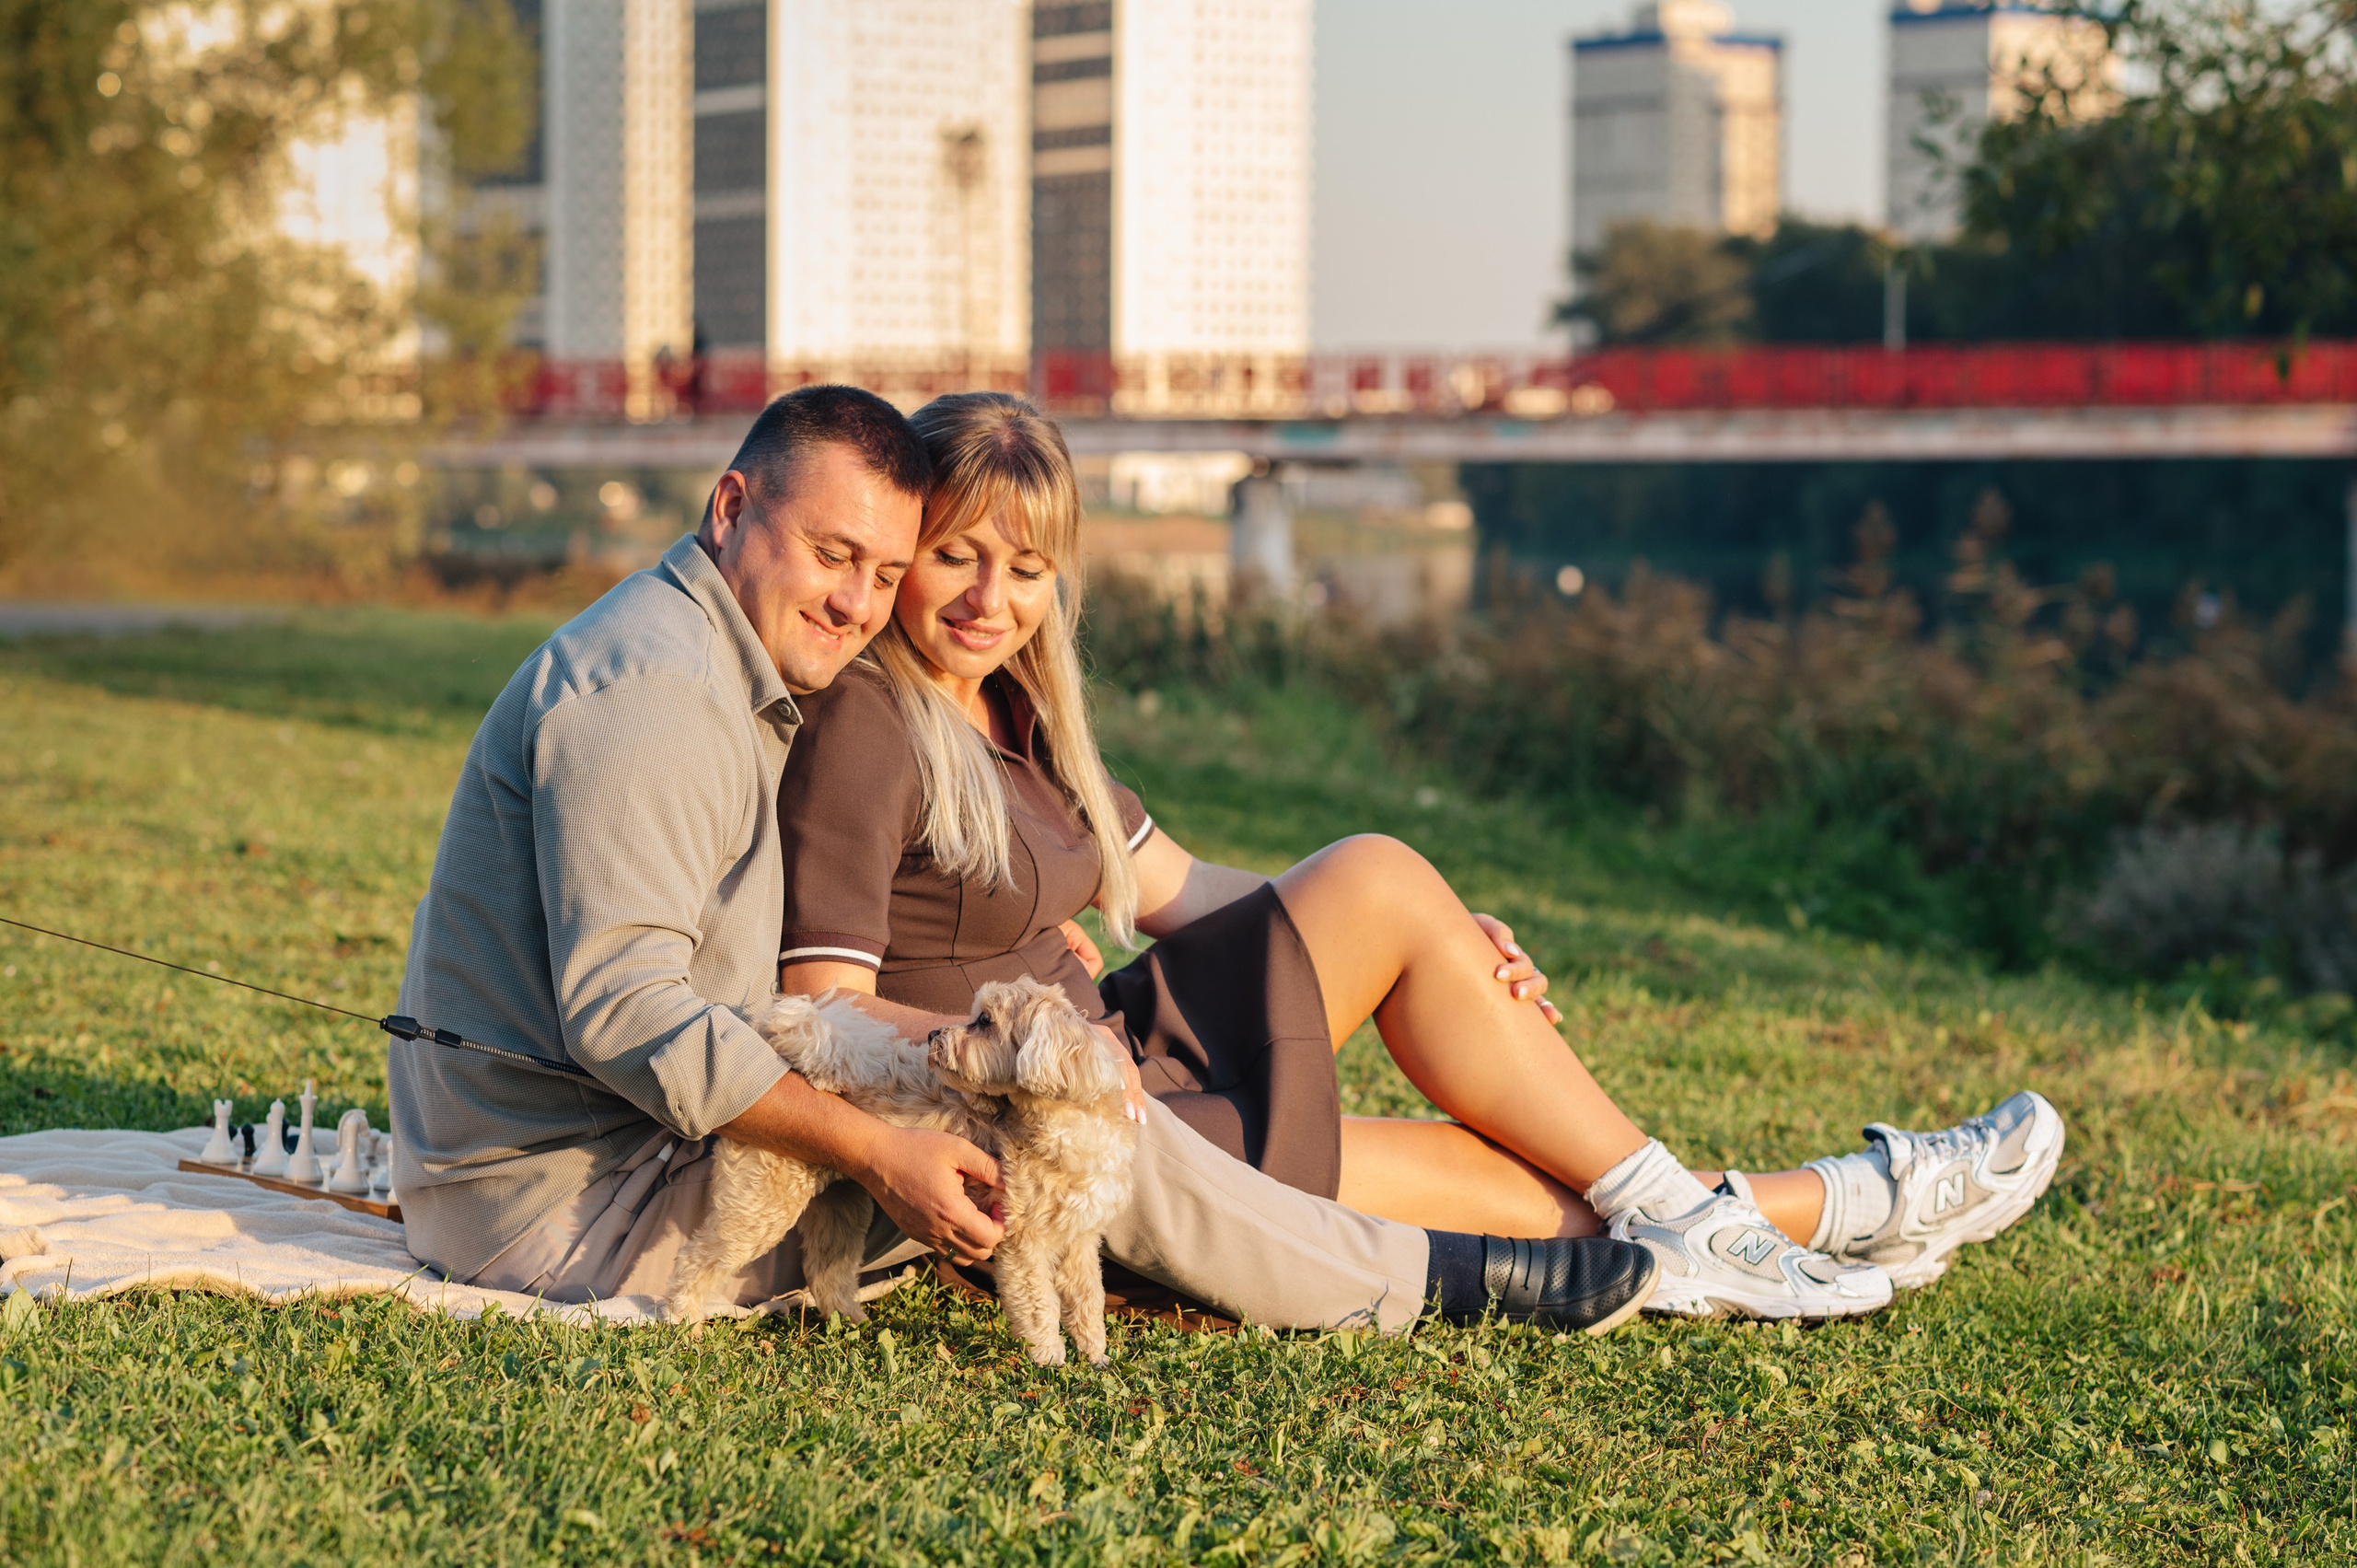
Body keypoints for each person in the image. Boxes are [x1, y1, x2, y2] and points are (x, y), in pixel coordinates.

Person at [387, 384, 1659, 1337]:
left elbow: (1149, 881)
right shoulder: (659, 696)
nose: (858, 604)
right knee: (1071, 1115)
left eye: (883, 570)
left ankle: (1667, 1217)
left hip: (634, 1152)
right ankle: (1435, 1283)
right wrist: (882, 1148)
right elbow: (631, 1015)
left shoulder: (739, 664)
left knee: (1092, 1080)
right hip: (579, 1209)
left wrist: (1436, 930)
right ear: (731, 507)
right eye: (835, 557)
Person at [771, 391, 2067, 1320]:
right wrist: (1034, 1059)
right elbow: (821, 1005)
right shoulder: (871, 727)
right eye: (957, 557)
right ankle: (1850, 1201)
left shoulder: (1016, 712)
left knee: (1396, 903)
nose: (990, 599)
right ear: (906, 551)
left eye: (1027, 569)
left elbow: (1181, 889)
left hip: (1129, 1065)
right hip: (1064, 1132)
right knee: (1505, 1176)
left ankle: (1778, 1214)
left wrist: (1440, 936)